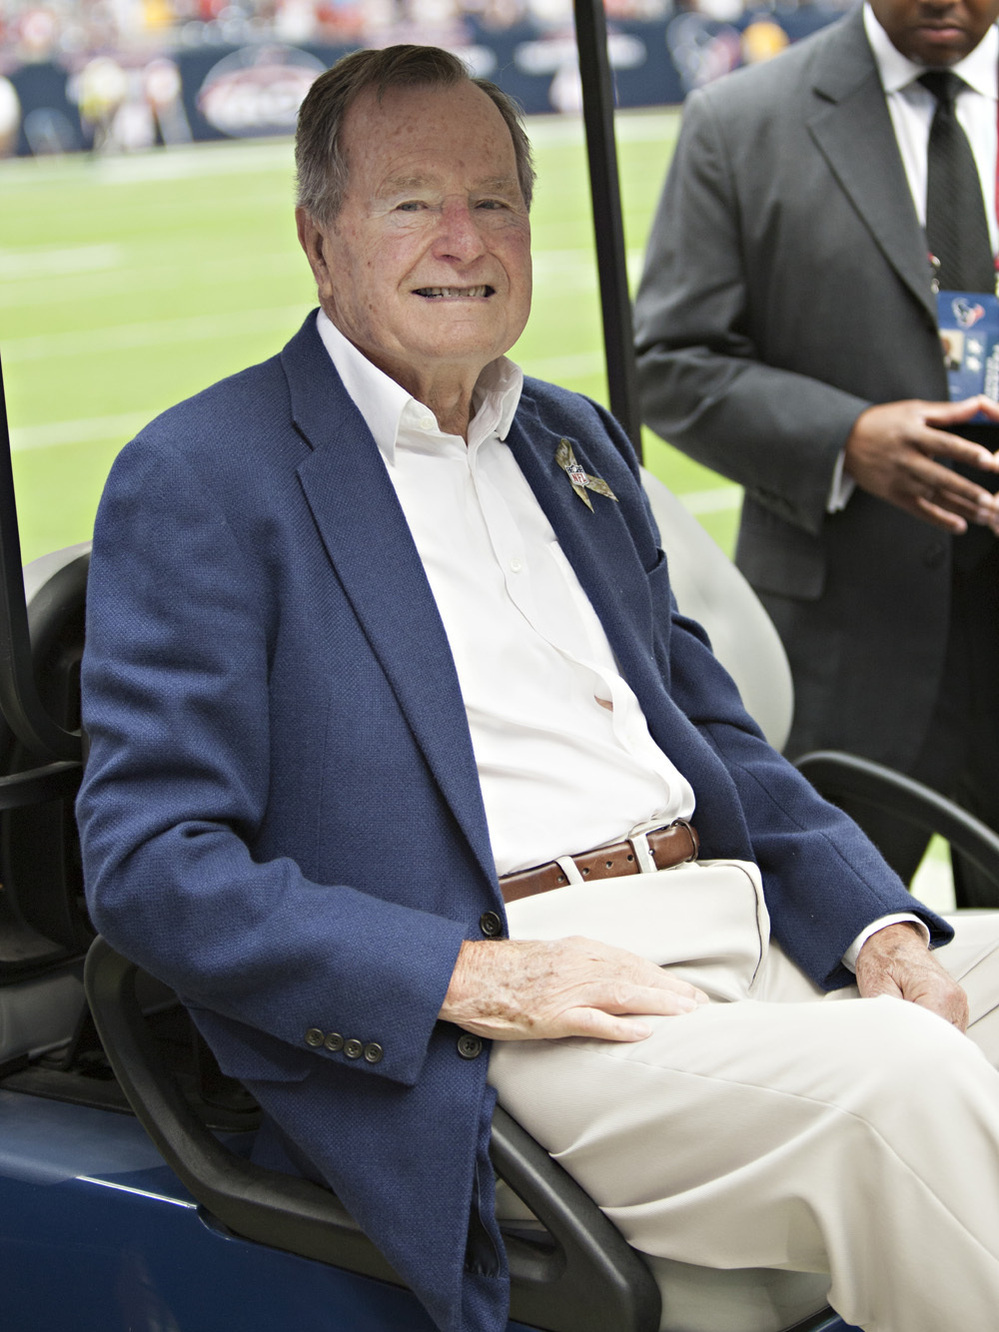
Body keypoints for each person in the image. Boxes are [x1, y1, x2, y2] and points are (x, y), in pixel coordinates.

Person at [77, 42, 999, 1332]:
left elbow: (715, 733)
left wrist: (875, 927)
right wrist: (470, 976)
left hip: (730, 925)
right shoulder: (204, 476)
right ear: (319, 239)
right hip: (516, 1006)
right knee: (905, 1081)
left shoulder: (570, 438)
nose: (463, 239)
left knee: (949, 1000)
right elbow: (149, 865)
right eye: (410, 202)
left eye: (494, 200)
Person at [634, 0, 999, 902]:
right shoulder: (741, 119)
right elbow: (669, 363)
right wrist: (844, 439)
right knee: (845, 971)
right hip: (845, 647)